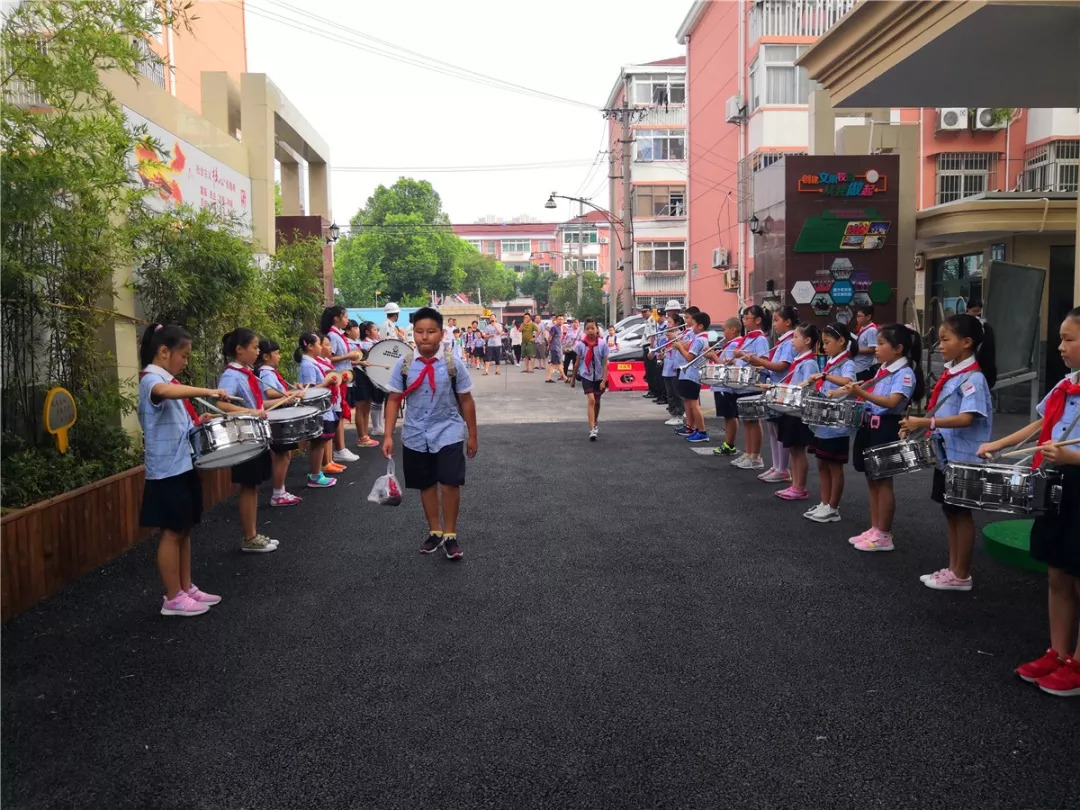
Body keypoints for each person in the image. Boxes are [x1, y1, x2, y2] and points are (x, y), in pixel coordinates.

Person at [978, 307, 1080, 697]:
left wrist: (1072, 458)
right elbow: (1039, 425)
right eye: (1060, 338)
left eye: (1069, 339)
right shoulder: (1066, 385)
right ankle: (1057, 651)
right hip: (1057, 482)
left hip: (1077, 478)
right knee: (1057, 573)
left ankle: (1077, 664)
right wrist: (1000, 444)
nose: (1060, 347)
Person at [138, 324, 230, 616]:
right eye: (185, 355)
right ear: (164, 352)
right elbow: (163, 392)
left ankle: (186, 586)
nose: (186, 361)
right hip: (167, 470)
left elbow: (173, 419)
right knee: (172, 532)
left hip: (182, 464)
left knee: (184, 529)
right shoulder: (151, 379)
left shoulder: (170, 381)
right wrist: (208, 390)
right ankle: (172, 597)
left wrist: (196, 420)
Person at [900, 314, 996, 591]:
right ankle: (954, 568)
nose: (939, 345)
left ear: (966, 343)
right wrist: (916, 427)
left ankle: (962, 574)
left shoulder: (974, 378)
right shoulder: (955, 373)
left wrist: (925, 421)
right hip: (948, 457)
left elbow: (967, 418)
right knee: (950, 512)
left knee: (961, 513)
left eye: (945, 339)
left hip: (963, 459)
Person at [383, 307, 478, 561]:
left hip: (448, 430)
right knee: (425, 483)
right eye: (419, 332)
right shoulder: (403, 365)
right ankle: (434, 530)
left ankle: (450, 534)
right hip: (415, 433)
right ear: (413, 333)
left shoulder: (452, 364)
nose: (424, 337)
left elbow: (466, 401)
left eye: (431, 332)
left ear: (441, 333)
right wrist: (388, 435)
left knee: (449, 481)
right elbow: (393, 400)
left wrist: (472, 435)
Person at [838, 324, 924, 552]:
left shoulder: (904, 373)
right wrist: (845, 392)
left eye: (882, 343)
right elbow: (869, 391)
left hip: (886, 427)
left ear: (898, 348)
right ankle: (875, 527)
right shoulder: (882, 369)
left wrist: (861, 393)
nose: (876, 348)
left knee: (884, 482)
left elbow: (892, 402)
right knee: (872, 479)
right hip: (870, 425)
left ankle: (885, 534)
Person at [216, 328, 277, 553]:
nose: (258, 351)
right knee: (248, 486)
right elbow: (222, 404)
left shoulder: (247, 373)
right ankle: (248, 537)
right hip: (243, 436)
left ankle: (252, 533)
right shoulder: (232, 375)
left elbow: (258, 404)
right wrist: (250, 412)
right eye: (254, 347)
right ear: (239, 350)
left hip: (255, 434)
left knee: (253, 486)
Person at [805, 323, 857, 523]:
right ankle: (824, 502)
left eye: (827, 343)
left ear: (842, 341)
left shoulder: (847, 363)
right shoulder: (830, 361)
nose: (824, 347)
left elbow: (849, 384)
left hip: (837, 422)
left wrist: (825, 376)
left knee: (834, 465)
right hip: (823, 420)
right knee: (821, 463)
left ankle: (834, 507)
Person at [741, 306, 797, 484]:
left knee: (779, 430)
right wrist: (761, 365)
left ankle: (783, 468)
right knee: (772, 429)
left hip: (782, 389)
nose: (774, 325)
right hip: (775, 387)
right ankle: (776, 465)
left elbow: (782, 366)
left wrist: (759, 362)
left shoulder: (789, 342)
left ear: (788, 322)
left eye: (777, 320)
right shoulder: (782, 341)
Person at [774, 323, 821, 500]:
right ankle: (795, 484)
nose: (792, 340)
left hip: (798, 411)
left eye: (796, 337)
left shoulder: (808, 363)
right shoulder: (799, 361)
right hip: (790, 409)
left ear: (808, 340)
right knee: (793, 449)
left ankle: (800, 487)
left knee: (799, 450)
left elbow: (807, 389)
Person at [255, 338, 304, 507]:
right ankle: (278, 493)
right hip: (275, 416)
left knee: (283, 455)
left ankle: (280, 491)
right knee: (283, 455)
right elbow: (269, 392)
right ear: (267, 356)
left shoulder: (269, 371)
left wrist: (292, 391)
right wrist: (289, 394)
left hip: (276, 415)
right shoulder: (266, 372)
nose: (280, 356)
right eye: (277, 353)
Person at [295, 332, 339, 488]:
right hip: (316, 409)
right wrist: (326, 382)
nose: (321, 347)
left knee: (320, 442)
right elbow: (309, 390)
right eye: (319, 344)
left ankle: (317, 473)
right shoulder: (307, 365)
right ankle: (315, 475)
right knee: (318, 442)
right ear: (310, 346)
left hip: (322, 408)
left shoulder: (312, 362)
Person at [730, 306, 770, 471]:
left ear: (758, 320)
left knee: (754, 420)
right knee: (747, 420)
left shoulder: (760, 339)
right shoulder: (748, 338)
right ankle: (748, 453)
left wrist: (744, 357)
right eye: (744, 318)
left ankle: (756, 456)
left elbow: (763, 360)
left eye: (747, 318)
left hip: (753, 383)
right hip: (743, 383)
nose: (744, 321)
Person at [322, 306, 362, 464]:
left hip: (343, 377)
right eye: (345, 317)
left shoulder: (338, 335)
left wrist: (356, 360)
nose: (347, 320)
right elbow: (328, 358)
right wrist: (348, 356)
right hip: (337, 377)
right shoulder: (332, 336)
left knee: (340, 411)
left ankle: (340, 448)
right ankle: (339, 448)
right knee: (337, 412)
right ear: (336, 318)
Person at [673, 311, 712, 443]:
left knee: (694, 405)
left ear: (700, 326)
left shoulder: (700, 339)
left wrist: (679, 347)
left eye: (693, 324)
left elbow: (689, 357)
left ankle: (702, 431)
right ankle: (692, 428)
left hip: (692, 374)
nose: (691, 327)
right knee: (689, 403)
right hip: (689, 374)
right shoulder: (700, 338)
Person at [707, 317, 743, 457]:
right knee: (727, 416)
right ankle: (728, 443)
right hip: (722, 385)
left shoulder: (734, 345)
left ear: (733, 330)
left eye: (724, 330)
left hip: (726, 385)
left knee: (730, 416)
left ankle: (729, 444)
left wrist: (713, 357)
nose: (723, 333)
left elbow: (726, 365)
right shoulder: (730, 344)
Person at [572, 318, 609, 440]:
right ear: (584, 331)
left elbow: (605, 363)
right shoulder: (581, 345)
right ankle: (592, 429)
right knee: (591, 400)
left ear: (597, 330)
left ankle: (596, 421)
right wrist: (572, 378)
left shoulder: (603, 344)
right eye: (587, 328)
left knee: (597, 401)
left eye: (592, 328)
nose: (590, 330)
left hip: (599, 376)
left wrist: (604, 380)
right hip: (586, 375)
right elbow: (577, 362)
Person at [350, 321, 380, 448]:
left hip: (367, 376)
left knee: (367, 405)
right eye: (374, 329)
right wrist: (361, 363)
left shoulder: (361, 343)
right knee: (361, 406)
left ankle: (365, 436)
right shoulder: (361, 344)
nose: (377, 332)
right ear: (367, 331)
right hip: (360, 375)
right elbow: (351, 361)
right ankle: (361, 436)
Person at [660, 313, 688, 424]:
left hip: (676, 367)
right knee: (670, 393)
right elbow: (669, 350)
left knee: (677, 393)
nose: (667, 324)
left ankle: (679, 415)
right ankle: (673, 414)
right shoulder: (668, 336)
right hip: (667, 366)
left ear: (676, 324)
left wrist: (675, 338)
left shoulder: (682, 335)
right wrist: (662, 355)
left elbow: (683, 347)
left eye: (670, 322)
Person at [852, 304, 879, 382]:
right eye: (857, 316)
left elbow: (872, 349)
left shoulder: (871, 330)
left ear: (868, 317)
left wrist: (855, 349)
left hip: (864, 368)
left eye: (860, 316)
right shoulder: (863, 328)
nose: (857, 319)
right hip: (858, 366)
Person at [545, 315, 566, 383]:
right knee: (556, 364)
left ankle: (548, 378)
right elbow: (550, 338)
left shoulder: (560, 328)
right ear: (556, 320)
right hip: (555, 348)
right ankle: (565, 378)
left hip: (558, 348)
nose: (560, 320)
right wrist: (549, 345)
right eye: (559, 319)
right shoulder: (554, 328)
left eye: (562, 319)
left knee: (555, 364)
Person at [562, 318, 583, 384]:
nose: (575, 324)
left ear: (578, 324)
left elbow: (582, 341)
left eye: (576, 322)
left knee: (575, 364)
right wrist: (564, 346)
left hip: (576, 350)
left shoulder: (580, 332)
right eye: (574, 322)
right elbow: (565, 339)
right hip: (568, 349)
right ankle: (564, 376)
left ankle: (574, 377)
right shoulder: (569, 330)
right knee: (566, 363)